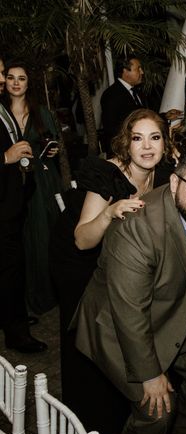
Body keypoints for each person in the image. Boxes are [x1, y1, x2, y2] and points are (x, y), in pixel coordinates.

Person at [73, 150, 186, 434]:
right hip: (117, 325)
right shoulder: (138, 228)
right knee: (156, 408)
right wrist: (150, 374)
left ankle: (177, 433)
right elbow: (129, 311)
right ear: (174, 182)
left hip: (170, 311)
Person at [49, 109, 172, 434]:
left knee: (120, 328)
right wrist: (110, 211)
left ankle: (119, 407)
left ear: (165, 143)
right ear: (125, 144)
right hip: (79, 258)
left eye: (155, 137)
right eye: (137, 138)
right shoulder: (108, 174)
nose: (146, 146)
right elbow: (82, 238)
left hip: (117, 257)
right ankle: (88, 422)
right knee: (87, 333)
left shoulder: (165, 175)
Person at [3, 60, 63, 315]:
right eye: (11, 77)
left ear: (29, 83)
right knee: (16, 241)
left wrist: (52, 150)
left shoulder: (41, 112)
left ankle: (43, 293)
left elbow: (52, 143)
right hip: (8, 184)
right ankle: (20, 300)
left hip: (40, 181)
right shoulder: (1, 112)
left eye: (22, 78)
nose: (16, 82)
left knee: (41, 236)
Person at [0, 55, 48, 354]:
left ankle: (12, 316)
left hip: (11, 201)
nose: (3, 78)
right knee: (9, 269)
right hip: (3, 207)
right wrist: (6, 158)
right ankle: (17, 333)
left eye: (2, 72)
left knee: (11, 269)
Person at [100, 56, 145, 154]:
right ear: (125, 71)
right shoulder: (111, 94)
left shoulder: (136, 91)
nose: (142, 72)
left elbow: (141, 116)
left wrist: (164, 115)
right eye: (138, 69)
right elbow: (111, 128)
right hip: (122, 151)